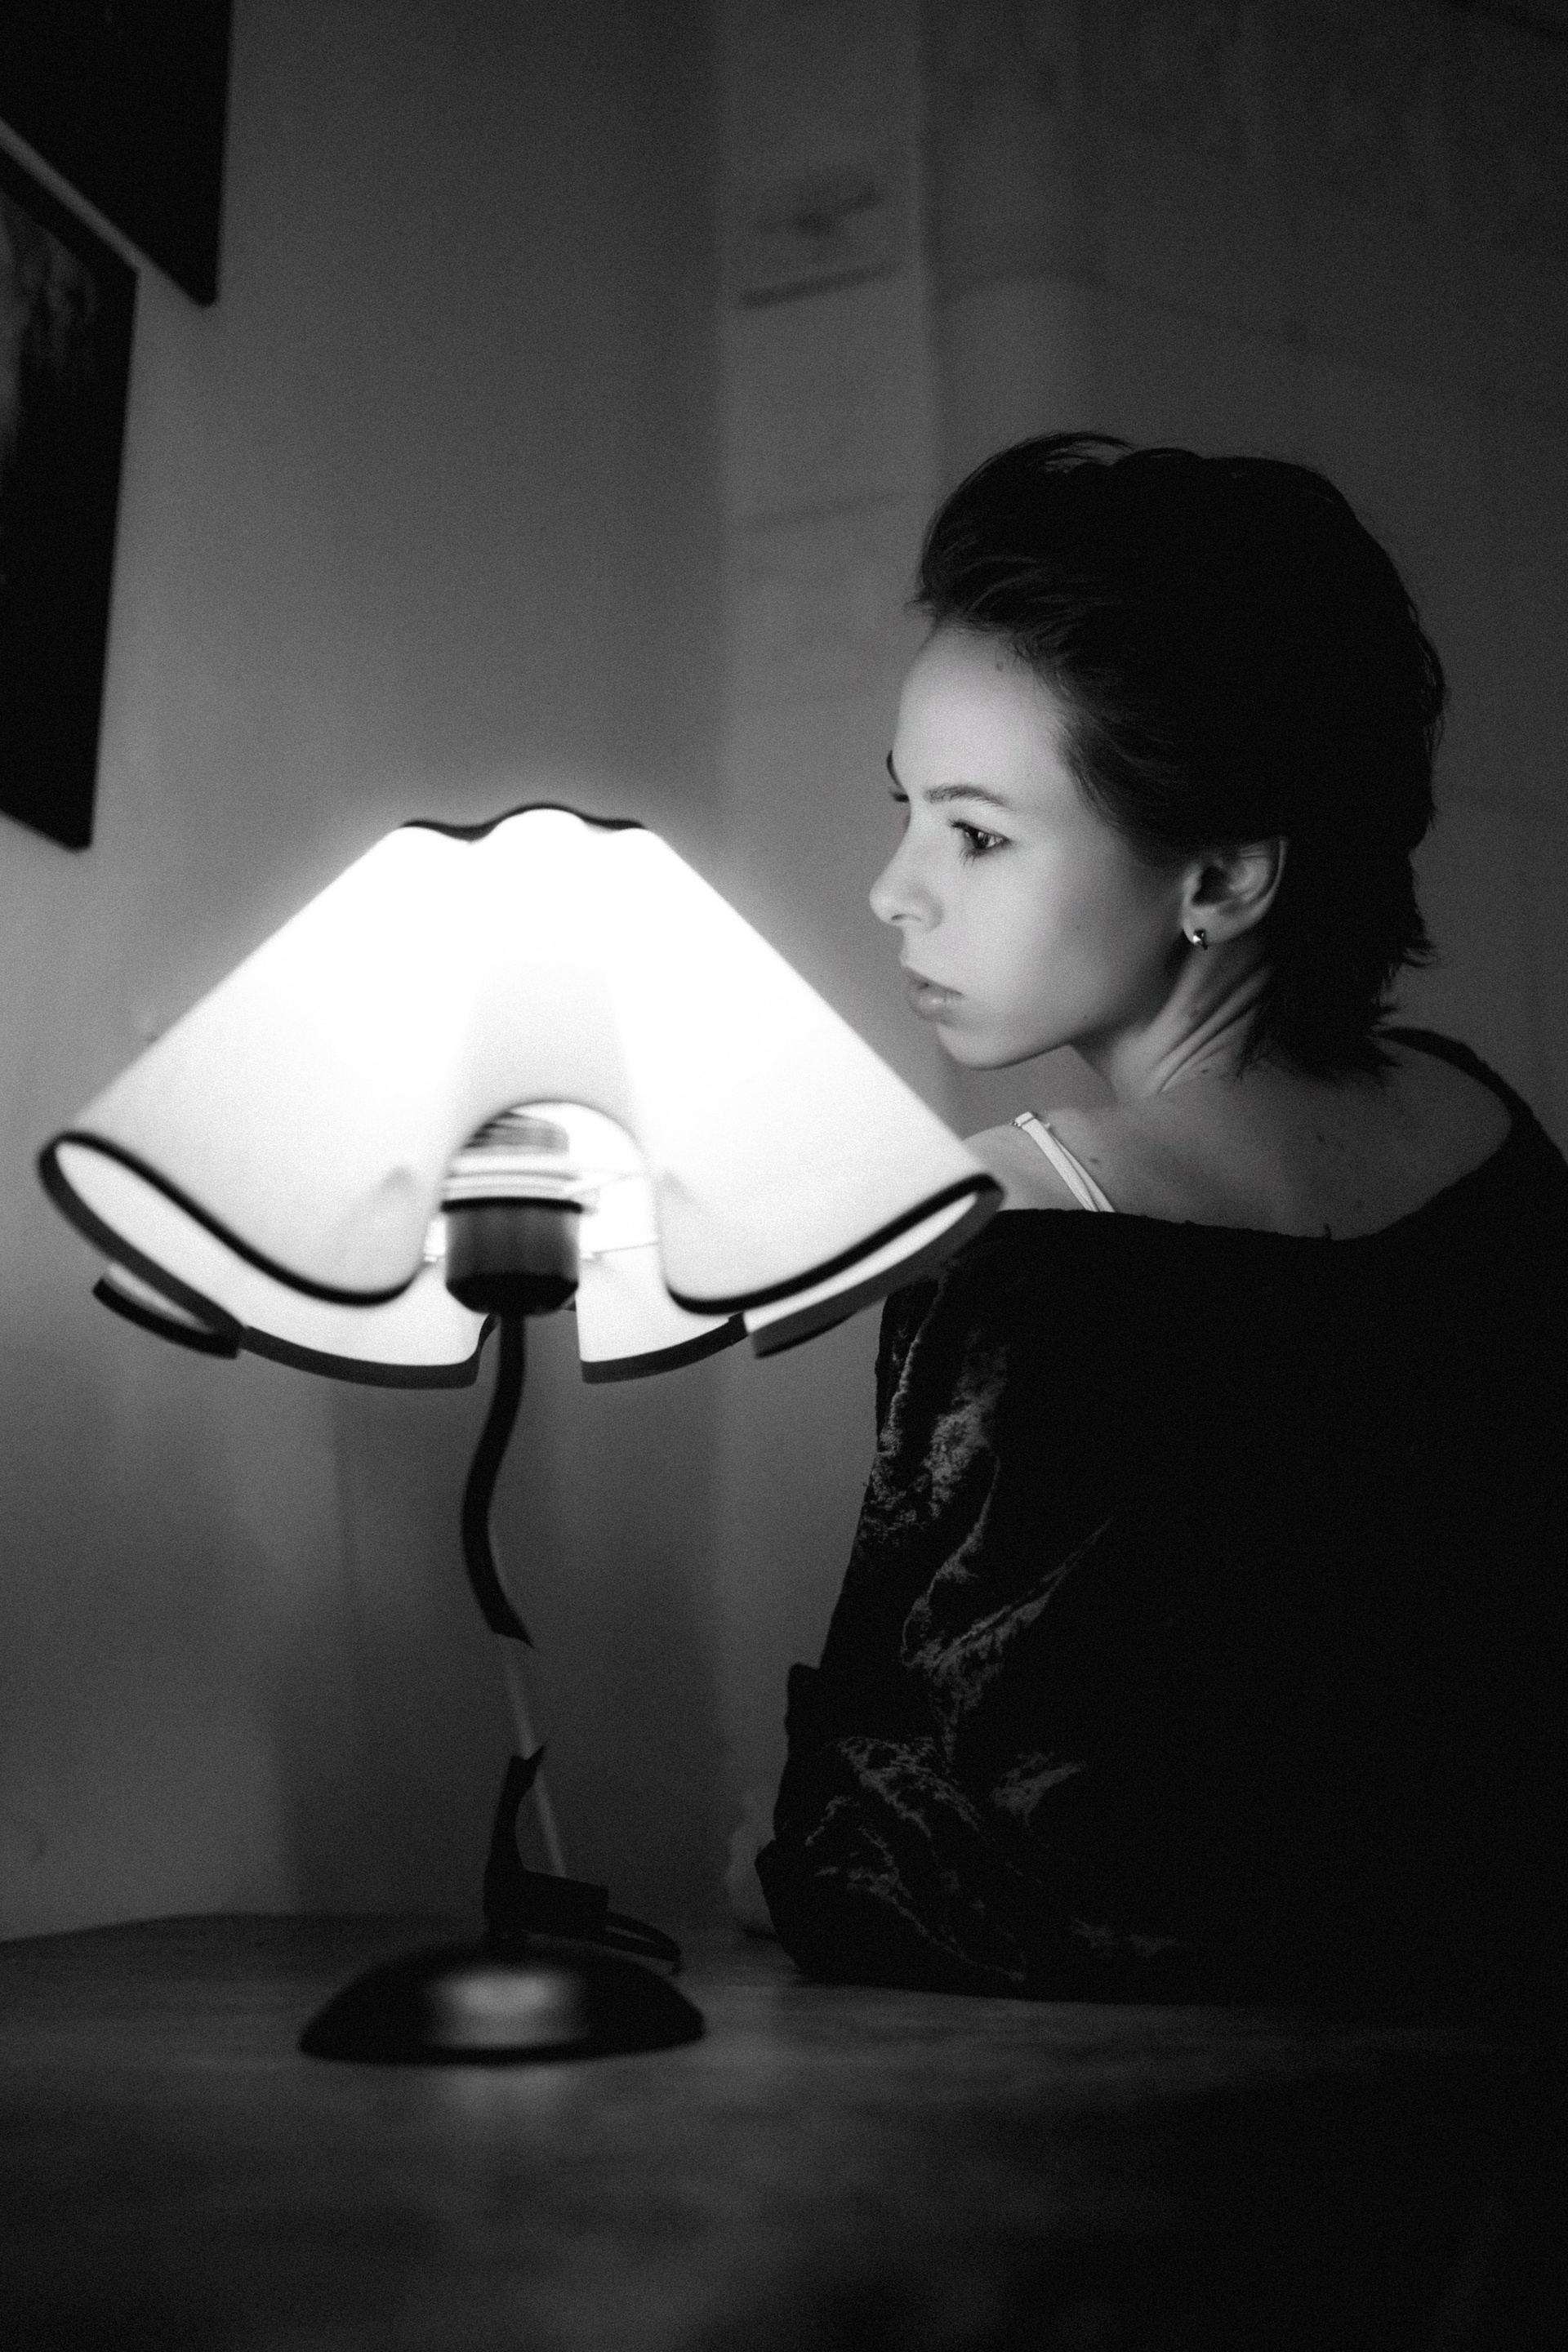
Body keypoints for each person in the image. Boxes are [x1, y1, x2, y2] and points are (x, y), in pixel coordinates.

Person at [751, 434, 1567, 2019]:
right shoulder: (1486, 1131)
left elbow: (1014, 1855)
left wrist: (796, 1858)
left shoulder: (1017, 1231)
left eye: (977, 833)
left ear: (1228, 875)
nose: (894, 891)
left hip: (1224, 2125)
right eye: (907, 809)